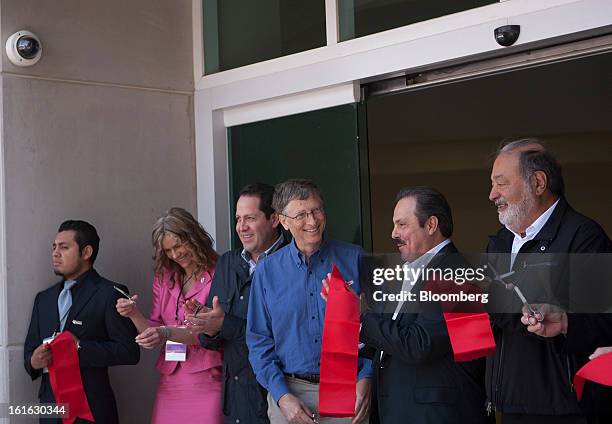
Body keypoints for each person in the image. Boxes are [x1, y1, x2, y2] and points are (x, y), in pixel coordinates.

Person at [485, 138, 612, 424]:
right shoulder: (500, 243)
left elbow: (604, 322)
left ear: (539, 183)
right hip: (510, 403)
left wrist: (566, 321)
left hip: (564, 409)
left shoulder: (584, 237)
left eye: (500, 183)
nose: (492, 194)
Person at [357, 187, 490, 424]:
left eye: (402, 225)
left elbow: (420, 343)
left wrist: (362, 318)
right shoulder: (418, 270)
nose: (393, 233)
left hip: (437, 415)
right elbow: (401, 339)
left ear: (431, 225)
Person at [247, 179, 372, 424]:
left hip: (347, 390)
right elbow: (258, 340)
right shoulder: (267, 271)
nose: (313, 221)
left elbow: (375, 326)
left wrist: (366, 380)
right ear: (282, 221)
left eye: (316, 210)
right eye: (301, 215)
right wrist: (282, 396)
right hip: (290, 394)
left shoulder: (356, 259)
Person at [188, 183, 286, 424]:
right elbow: (213, 339)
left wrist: (225, 324)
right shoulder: (227, 263)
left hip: (277, 398)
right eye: (238, 219)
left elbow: (284, 335)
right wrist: (208, 327)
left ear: (274, 219)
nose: (242, 227)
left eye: (250, 218)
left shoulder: (292, 262)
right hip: (236, 401)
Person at [24, 220, 140, 424]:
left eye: (64, 247)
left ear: (86, 252)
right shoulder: (43, 299)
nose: (55, 253)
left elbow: (129, 351)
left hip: (92, 411)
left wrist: (78, 347)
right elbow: (29, 353)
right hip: (50, 411)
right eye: (54, 247)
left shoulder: (110, 294)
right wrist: (34, 361)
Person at [115, 207, 223, 424]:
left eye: (178, 245)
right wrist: (133, 313)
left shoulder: (220, 271)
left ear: (194, 237)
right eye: (168, 251)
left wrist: (163, 333)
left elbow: (203, 331)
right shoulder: (165, 277)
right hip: (171, 381)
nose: (175, 255)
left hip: (209, 378)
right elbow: (153, 330)